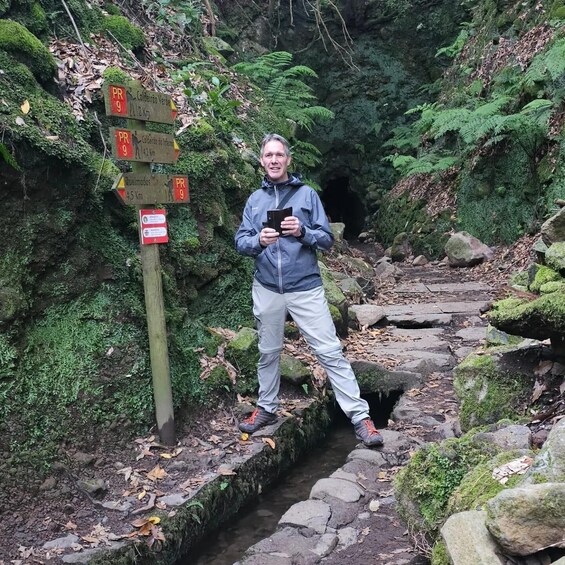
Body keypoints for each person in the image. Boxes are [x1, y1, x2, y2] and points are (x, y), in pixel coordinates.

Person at [234, 133, 384, 447]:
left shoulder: (306, 196)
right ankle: (266, 408)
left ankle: (360, 417)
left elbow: (328, 240)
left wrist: (302, 231)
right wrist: (258, 241)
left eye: (279, 155)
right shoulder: (255, 200)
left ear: (288, 160)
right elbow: (240, 242)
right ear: (262, 161)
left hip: (305, 287)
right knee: (268, 352)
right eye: (268, 155)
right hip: (267, 288)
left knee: (330, 352)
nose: (274, 160)